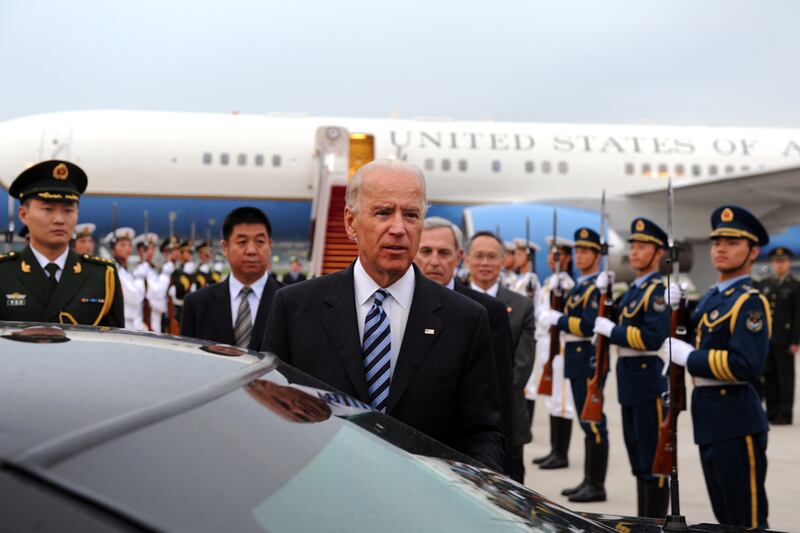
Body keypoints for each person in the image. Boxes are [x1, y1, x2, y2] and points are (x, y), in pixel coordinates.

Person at [263, 159, 505, 472]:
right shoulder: (294, 308)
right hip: (318, 497)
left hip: (426, 504)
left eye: (411, 214)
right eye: (383, 212)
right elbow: (271, 417)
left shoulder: (466, 320)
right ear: (351, 223)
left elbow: (482, 433)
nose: (398, 228)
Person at [661, 205, 771, 529]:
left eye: (732, 242)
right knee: (725, 518)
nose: (720, 248)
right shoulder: (712, 297)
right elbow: (697, 332)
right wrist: (680, 307)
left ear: (752, 252)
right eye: (716, 242)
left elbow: (746, 365)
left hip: (736, 420)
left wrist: (690, 358)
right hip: (709, 416)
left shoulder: (749, 301)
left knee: (747, 519)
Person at [415, 218, 516, 480]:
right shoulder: (399, 304)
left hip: (461, 458)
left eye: (444, 253)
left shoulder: (484, 311)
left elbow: (500, 394)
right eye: (426, 251)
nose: (434, 261)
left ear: (459, 257)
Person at [593, 218, 670, 517]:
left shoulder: (657, 291)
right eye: (633, 246)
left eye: (643, 247)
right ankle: (644, 521)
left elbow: (652, 338)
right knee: (639, 460)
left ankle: (656, 522)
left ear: (659, 252)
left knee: (654, 461)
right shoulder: (635, 290)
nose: (634, 252)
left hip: (648, 379)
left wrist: (612, 330)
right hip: (629, 381)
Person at [0, 160, 123, 326]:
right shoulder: (4, 272)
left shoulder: (101, 275)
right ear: (23, 215)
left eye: (68, 210)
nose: (59, 220)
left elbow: (114, 347)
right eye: (48, 209)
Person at [465, 230, 535, 482]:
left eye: (492, 256)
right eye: (479, 256)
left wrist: (490, 395)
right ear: (466, 259)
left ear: (503, 260)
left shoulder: (521, 306)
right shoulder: (452, 300)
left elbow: (522, 364)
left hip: (509, 413)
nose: (485, 263)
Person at [546, 227, 608, 502]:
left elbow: (588, 325)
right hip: (575, 356)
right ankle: (588, 479)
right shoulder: (582, 285)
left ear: (597, 256)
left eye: (585, 251)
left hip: (587, 358)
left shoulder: (596, 287)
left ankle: (597, 484)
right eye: (577, 251)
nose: (579, 256)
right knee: (586, 422)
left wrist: (558, 319)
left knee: (593, 421)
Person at [181, 207, 280, 351]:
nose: (251, 250)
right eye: (242, 242)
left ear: (269, 245)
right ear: (225, 247)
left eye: (260, 241)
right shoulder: (197, 304)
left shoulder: (292, 303)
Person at [529, 236, 576, 470]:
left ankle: (562, 452)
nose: (551, 258)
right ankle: (554, 449)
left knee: (562, 400)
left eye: (556, 255)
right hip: (545, 343)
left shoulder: (566, 285)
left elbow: (554, 315)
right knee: (550, 398)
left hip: (561, 346)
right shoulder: (549, 282)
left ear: (567, 259)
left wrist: (546, 317)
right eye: (550, 254)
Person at [757, 246, 800, 425]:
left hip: (785, 339)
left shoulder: (795, 286)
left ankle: (785, 413)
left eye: (782, 261)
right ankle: (772, 410)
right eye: (776, 261)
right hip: (768, 339)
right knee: (769, 376)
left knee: (785, 378)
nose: (779, 265)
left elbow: (798, 316)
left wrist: (795, 340)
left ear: (788, 263)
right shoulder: (765, 285)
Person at [103, 227, 146, 331]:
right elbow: (135, 297)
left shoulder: (125, 271)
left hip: (133, 323)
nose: (127, 248)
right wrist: (140, 277)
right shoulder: (114, 271)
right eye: (122, 245)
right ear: (113, 248)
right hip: (122, 324)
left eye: (129, 245)